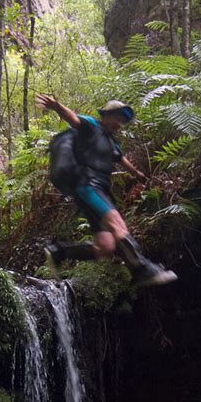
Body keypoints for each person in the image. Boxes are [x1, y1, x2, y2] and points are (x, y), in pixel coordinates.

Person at [36, 95, 177, 287]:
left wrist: (136, 173)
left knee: (106, 247)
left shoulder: (112, 142)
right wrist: (56, 106)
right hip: (86, 184)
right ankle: (141, 269)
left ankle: (58, 251)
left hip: (100, 188)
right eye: (117, 118)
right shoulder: (91, 126)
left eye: (123, 121)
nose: (120, 124)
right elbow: (73, 118)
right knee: (118, 225)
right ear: (106, 115)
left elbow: (120, 158)